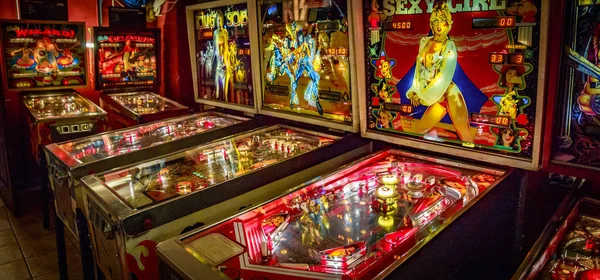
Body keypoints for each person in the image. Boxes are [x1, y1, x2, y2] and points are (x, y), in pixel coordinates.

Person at [406, 2, 473, 142]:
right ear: (431, 23)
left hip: (448, 94)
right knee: (419, 131)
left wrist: (421, 96)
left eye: (443, 21)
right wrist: (413, 91)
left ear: (448, 24)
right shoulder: (424, 41)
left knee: (465, 136)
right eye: (436, 20)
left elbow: (443, 77)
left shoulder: (449, 46)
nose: (438, 25)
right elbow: (419, 72)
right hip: (432, 96)